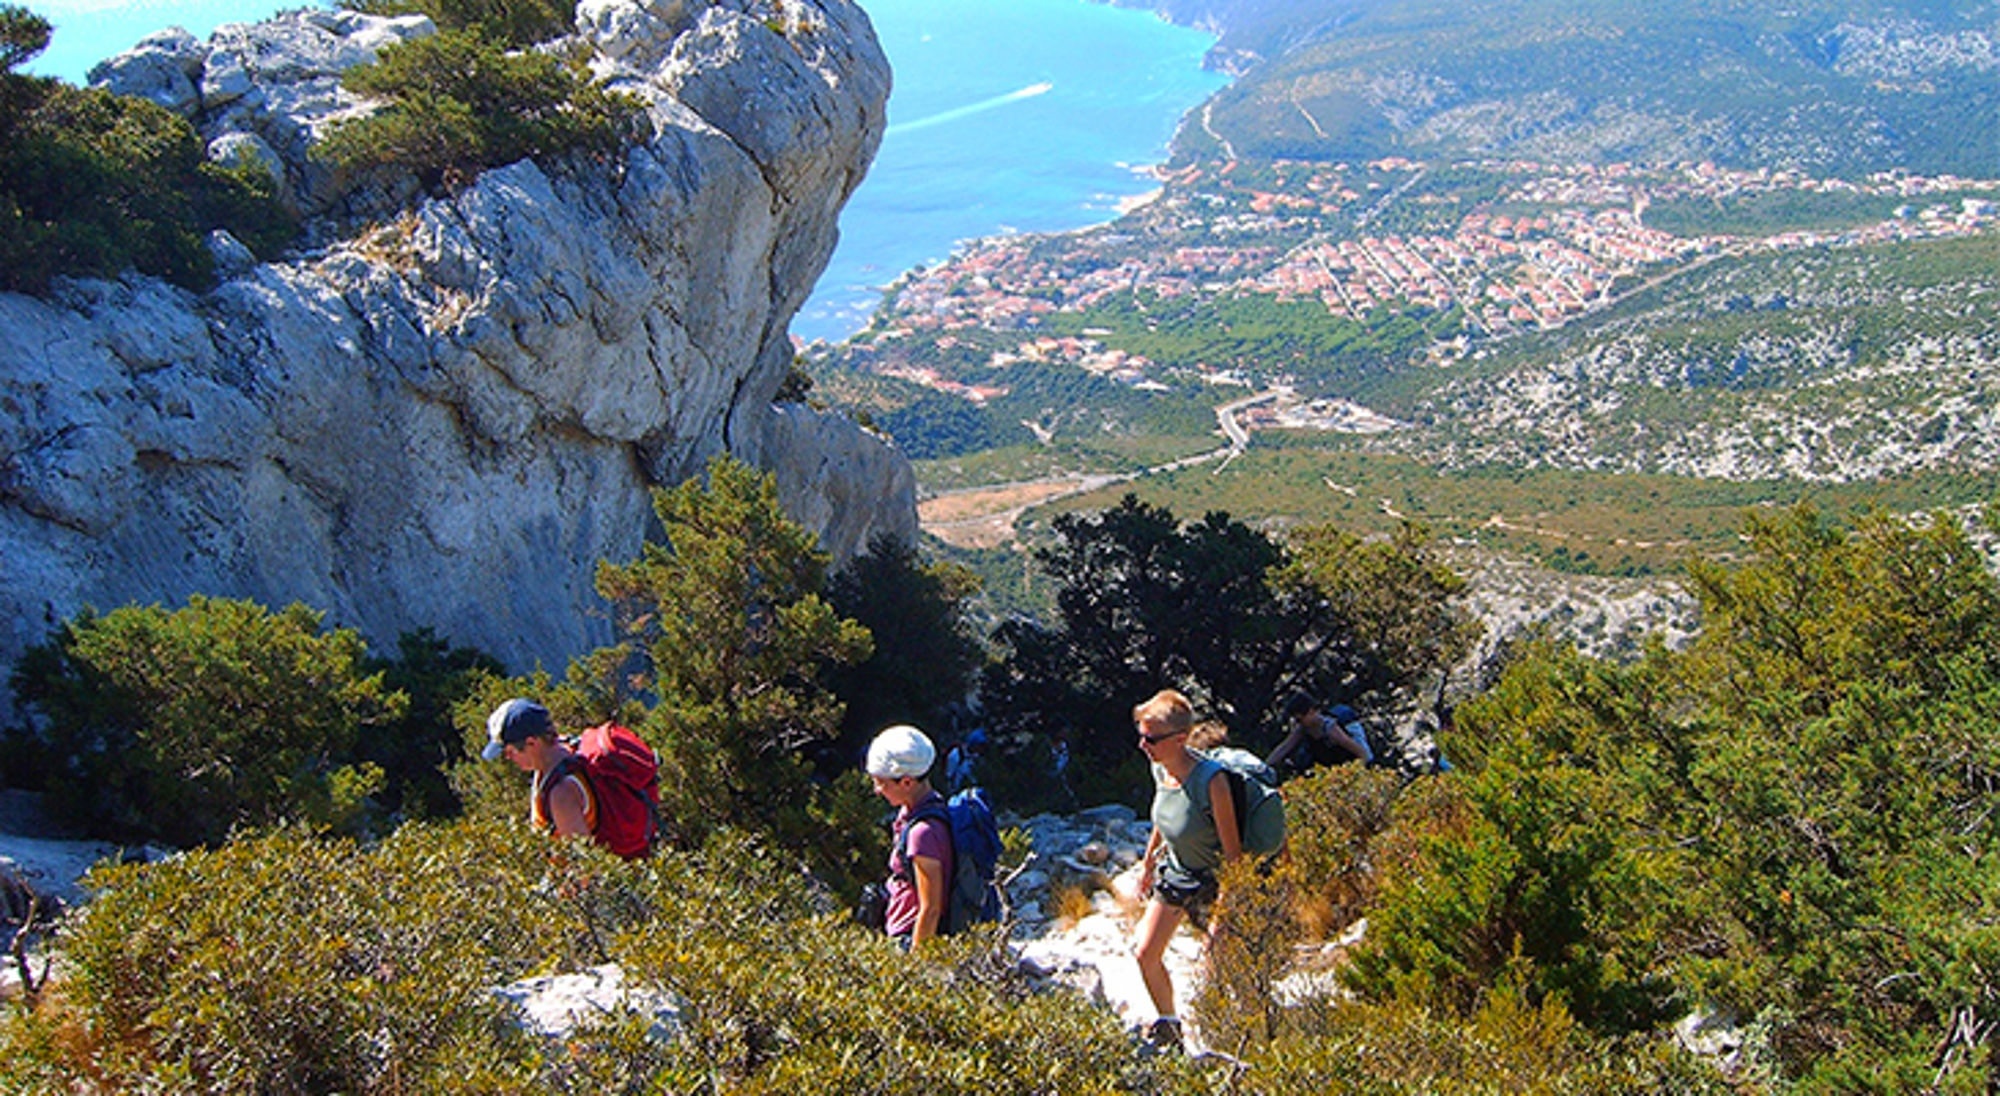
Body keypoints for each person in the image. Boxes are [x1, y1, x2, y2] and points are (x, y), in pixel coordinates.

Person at [1132, 689, 1242, 1053]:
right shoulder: (1163, 771)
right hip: (1177, 871)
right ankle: (1170, 1026)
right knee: (1146, 952)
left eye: (1151, 738)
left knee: (1214, 964)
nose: (1143, 745)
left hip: (1212, 879)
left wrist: (1222, 916)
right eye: (1141, 735)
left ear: (1180, 739)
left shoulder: (1213, 782)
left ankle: (1223, 1039)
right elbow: (1164, 819)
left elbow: (1233, 857)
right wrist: (1148, 864)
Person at [866, 723, 953, 948]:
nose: (877, 790)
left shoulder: (923, 833)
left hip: (908, 939)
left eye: (881, 783)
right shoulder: (919, 810)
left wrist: (916, 968)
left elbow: (931, 908)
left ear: (906, 782)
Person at [483, 697, 597, 843]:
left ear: (532, 742)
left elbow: (584, 858)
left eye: (510, 751)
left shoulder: (562, 794)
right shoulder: (562, 748)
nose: (508, 758)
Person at [1266, 693, 1371, 773]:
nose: (1299, 723)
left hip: (1348, 767)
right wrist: (1264, 767)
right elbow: (1284, 747)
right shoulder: (1302, 729)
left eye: (1300, 719)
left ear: (1311, 711)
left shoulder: (1330, 729)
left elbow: (1362, 753)